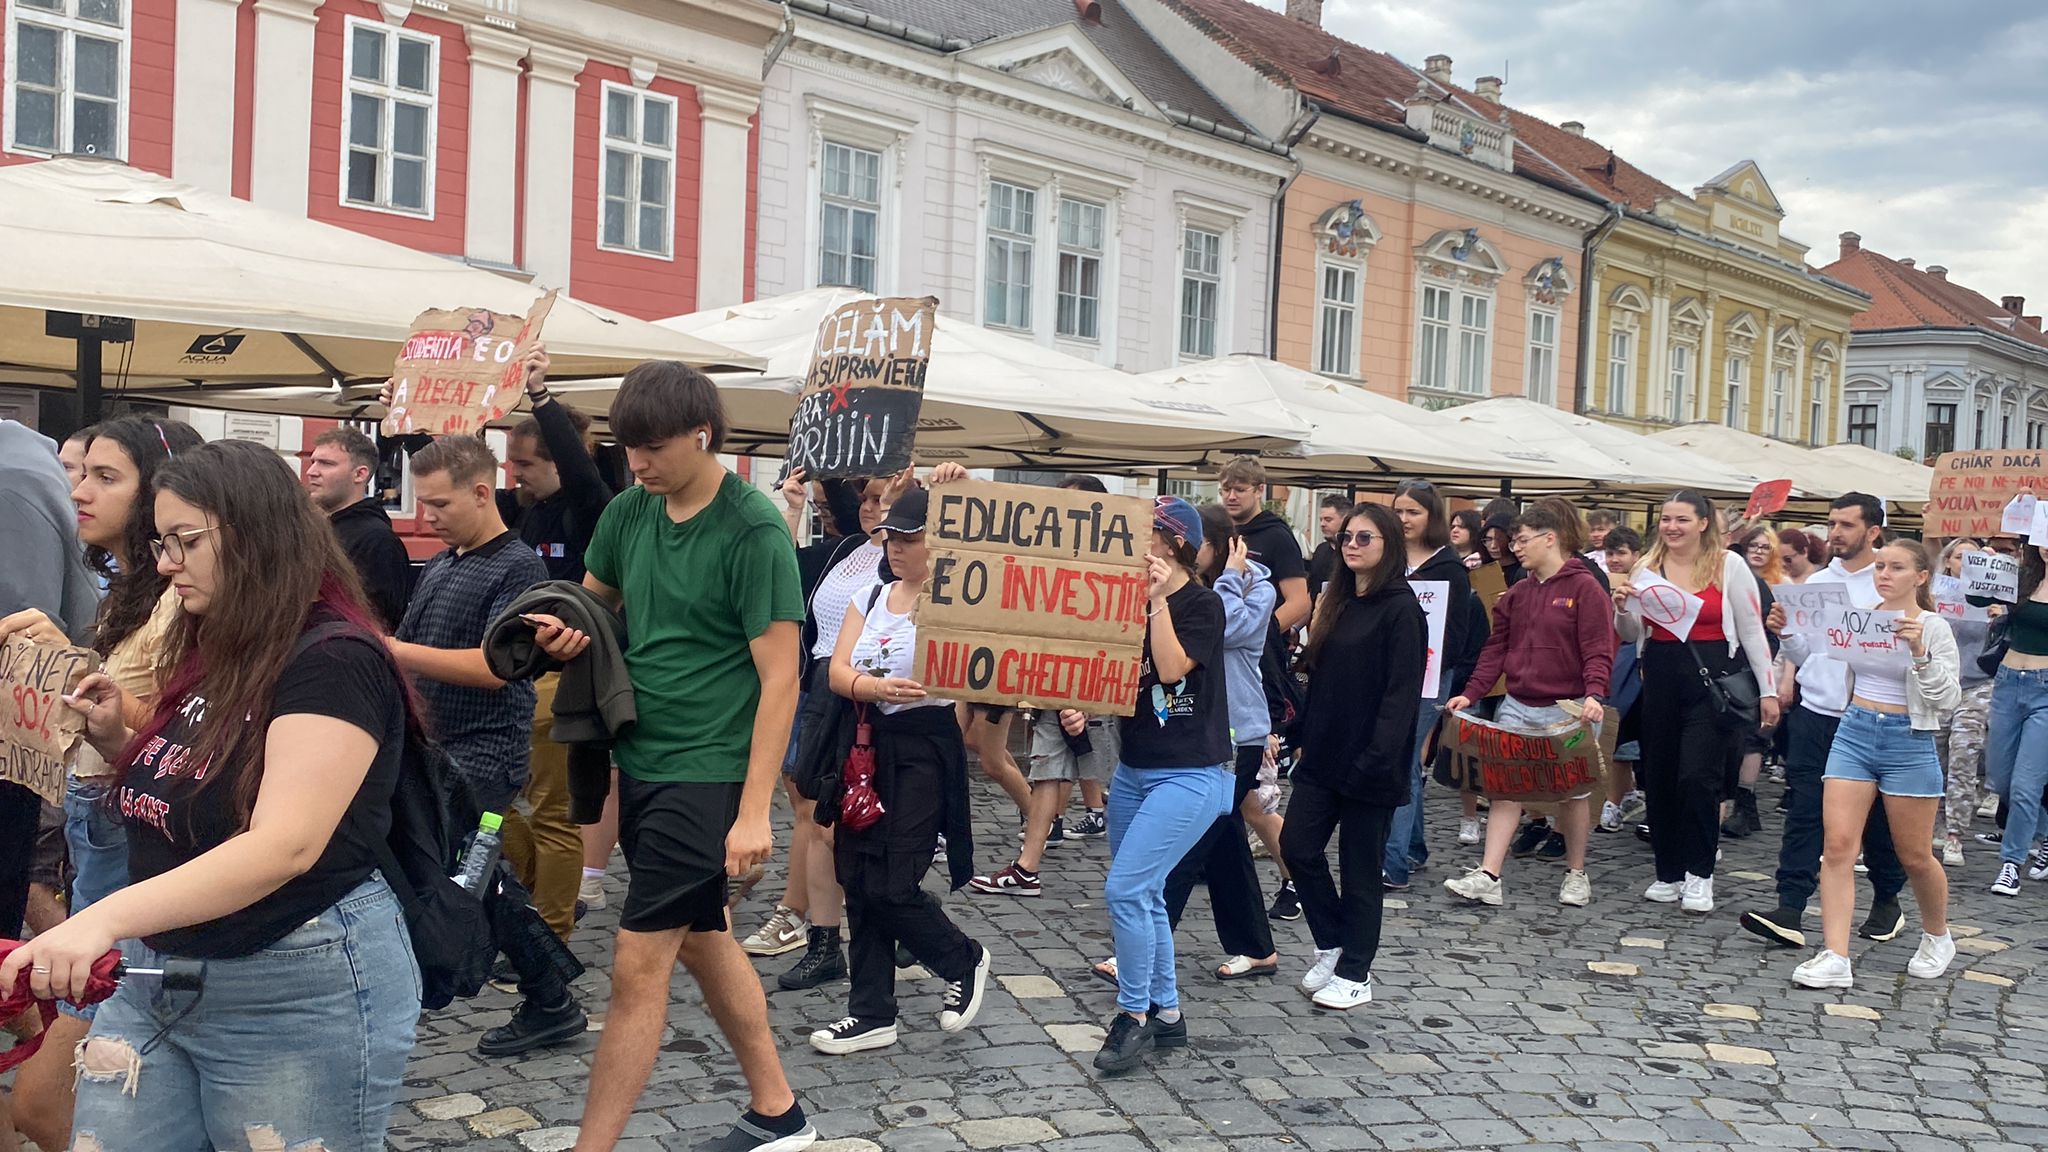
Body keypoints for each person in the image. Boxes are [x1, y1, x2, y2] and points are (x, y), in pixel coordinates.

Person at [0, 438, 419, 1150]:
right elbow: (203, 780)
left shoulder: (334, 658)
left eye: (184, 541)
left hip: (295, 978)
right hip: (162, 968)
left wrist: (99, 920)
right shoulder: (225, 641)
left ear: (256, 533)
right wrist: (116, 739)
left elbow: (284, 843)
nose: (165, 563)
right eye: (162, 542)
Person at [525, 362, 815, 1152]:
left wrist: (755, 811)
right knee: (700, 937)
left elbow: (781, 678)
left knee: (636, 961)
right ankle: (779, 1112)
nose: (639, 463)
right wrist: (561, 632)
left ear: (702, 435)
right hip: (641, 759)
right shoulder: (628, 511)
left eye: (651, 449)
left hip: (709, 768)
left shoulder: (754, 527)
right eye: (629, 448)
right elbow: (593, 607)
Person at [0, 416, 200, 1152]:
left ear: (159, 491)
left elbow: (182, 736)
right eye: (78, 472)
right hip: (100, 834)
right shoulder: (114, 582)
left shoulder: (178, 597)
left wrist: (73, 670)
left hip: (134, 847)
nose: (78, 490)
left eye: (104, 477)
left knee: (45, 1105)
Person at [806, 486, 988, 1054]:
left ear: (939, 542)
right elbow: (836, 670)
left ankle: (963, 958)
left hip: (924, 745)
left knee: (891, 878)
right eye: (892, 538)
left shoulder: (956, 597)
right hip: (866, 740)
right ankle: (870, 1010)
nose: (897, 549)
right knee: (856, 873)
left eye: (911, 538)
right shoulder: (871, 594)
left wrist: (957, 489)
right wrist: (875, 686)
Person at [1092, 497, 1234, 1074]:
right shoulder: (1123, 598)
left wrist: (1154, 603)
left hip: (1193, 772)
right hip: (1135, 769)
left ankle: (1132, 1017)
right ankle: (1169, 1016)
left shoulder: (1203, 604)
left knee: (1125, 891)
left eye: (1142, 533)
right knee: (1145, 893)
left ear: (1170, 542)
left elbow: (1172, 669)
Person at [1740, 494, 1910, 948]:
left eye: (1846, 525)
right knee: (1805, 809)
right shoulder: (1817, 581)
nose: (1835, 533)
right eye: (1832, 524)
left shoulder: (1889, 582)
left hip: (1870, 717)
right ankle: (1790, 905)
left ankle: (1887, 898)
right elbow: (1807, 653)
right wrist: (1787, 633)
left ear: (1873, 532)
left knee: (1875, 818)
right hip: (1817, 711)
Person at [1792, 541, 1960, 988]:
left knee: (1915, 855)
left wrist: (1920, 653)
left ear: (1921, 576)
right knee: (1839, 846)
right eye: (1880, 566)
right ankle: (1835, 955)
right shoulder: (1860, 615)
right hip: (1856, 729)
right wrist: (1790, 634)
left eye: (1897, 568)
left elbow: (1948, 699)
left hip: (1909, 738)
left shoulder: (1933, 626)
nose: (1884, 574)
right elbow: (1822, 660)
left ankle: (1938, 935)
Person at [750, 469, 892, 985]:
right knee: (813, 814)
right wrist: (793, 508)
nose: (872, 507)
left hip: (866, 696)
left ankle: (887, 920)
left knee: (841, 822)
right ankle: (823, 938)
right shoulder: (849, 548)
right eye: (868, 499)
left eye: (882, 499)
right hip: (819, 686)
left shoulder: (904, 557)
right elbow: (786, 574)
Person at [494, 347, 617, 939]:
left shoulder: (590, 508)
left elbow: (582, 471)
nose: (513, 474)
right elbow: (455, 490)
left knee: (550, 812)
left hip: (562, 676)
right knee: (493, 803)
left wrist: (542, 399)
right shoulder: (523, 511)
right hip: (515, 675)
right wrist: (414, 431)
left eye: (524, 464)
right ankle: (540, 902)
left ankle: (552, 934)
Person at [1283, 503, 1424, 1011]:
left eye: (1365, 537)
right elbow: (1320, 676)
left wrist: (1378, 756)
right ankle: (1334, 943)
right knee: (1298, 847)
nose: (1351, 544)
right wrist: (1297, 730)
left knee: (1361, 869)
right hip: (1323, 754)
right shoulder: (1339, 600)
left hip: (1372, 761)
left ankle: (1356, 971)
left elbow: (1400, 695)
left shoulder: (1403, 609)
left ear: (1388, 545)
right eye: (1346, 537)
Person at [1613, 490, 1778, 915]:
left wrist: (1769, 689)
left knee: (1698, 778)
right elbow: (1632, 633)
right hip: (1662, 675)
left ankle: (1699, 873)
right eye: (1666, 519)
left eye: (1682, 520)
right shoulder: (1648, 566)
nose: (1672, 527)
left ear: (1703, 522)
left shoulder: (1729, 564)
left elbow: (1753, 630)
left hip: (1713, 677)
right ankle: (1668, 872)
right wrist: (1621, 608)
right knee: (1661, 776)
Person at [1443, 503, 1614, 908]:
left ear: (1549, 538)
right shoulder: (1517, 593)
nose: (1514, 548)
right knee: (1505, 790)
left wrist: (1594, 694)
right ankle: (1489, 875)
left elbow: (1597, 647)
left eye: (1522, 540)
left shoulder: (1585, 588)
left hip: (1570, 707)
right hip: (1517, 703)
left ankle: (1576, 872)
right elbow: (1496, 648)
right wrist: (1473, 692)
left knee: (1574, 793)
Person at [1156, 503, 1278, 979]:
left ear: (1224, 546)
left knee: (1190, 838)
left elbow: (1224, 627)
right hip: (1203, 727)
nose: (1186, 549)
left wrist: (1229, 576)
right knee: (1225, 841)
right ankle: (1257, 946)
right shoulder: (1185, 586)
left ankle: (1143, 947)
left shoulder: (1255, 588)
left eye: (1197, 543)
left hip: (1239, 733)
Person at [0, 419, 98, 948]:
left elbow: (21, 624)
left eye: (104, 477)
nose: (81, 490)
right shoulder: (22, 460)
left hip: (23, 735)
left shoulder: (11, 473)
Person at [1383, 480, 1483, 890]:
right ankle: (1414, 848)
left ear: (1431, 517)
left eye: (1413, 512)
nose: (1404, 519)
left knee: (1404, 758)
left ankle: (1393, 862)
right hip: (1386, 674)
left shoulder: (1449, 568)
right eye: (1399, 511)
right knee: (1404, 759)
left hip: (1428, 677)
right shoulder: (1389, 558)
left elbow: (1457, 636)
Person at [303, 425, 414, 629]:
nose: (311, 472)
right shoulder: (315, 531)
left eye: (326, 464)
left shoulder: (377, 541)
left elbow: (376, 621)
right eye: (312, 462)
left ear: (360, 474)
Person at [1985, 543, 2048, 897]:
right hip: (2008, 683)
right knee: (2002, 779)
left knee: (2026, 784)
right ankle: (2044, 831)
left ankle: (2012, 863)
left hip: (2045, 690)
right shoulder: (2024, 578)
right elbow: (1978, 596)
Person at [1935, 538, 1998, 866]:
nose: (1967, 563)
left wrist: (1999, 613)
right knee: (1937, 757)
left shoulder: (1995, 598)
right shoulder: (1935, 594)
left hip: (1977, 686)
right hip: (1941, 685)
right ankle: (1936, 820)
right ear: (1949, 562)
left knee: (1964, 753)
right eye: (1961, 557)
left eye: (1974, 558)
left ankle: (1955, 834)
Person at [1722, 527, 1784, 840]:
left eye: (1765, 547)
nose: (1758, 551)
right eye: (1753, 546)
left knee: (1753, 738)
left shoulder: (1770, 586)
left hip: (1756, 670)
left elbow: (1770, 637)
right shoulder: (1728, 575)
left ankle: (1743, 804)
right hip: (1725, 670)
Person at [1217, 458, 1310, 634]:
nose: (1231, 496)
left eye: (1240, 490)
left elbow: (1298, 602)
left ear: (1260, 490)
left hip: (1260, 652)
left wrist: (1262, 634)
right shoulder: (1220, 532)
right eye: (1226, 489)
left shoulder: (1277, 536)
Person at [1598, 528, 1647, 833]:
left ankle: (1622, 800)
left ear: (1636, 555)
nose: (1615, 560)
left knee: (1632, 739)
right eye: (1610, 553)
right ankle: (1619, 799)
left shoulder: (1646, 584)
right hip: (1615, 666)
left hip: (1638, 667)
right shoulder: (1602, 582)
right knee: (1617, 740)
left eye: (1621, 553)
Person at [1308, 493, 1348, 600]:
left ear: (1345, 520)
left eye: (1328, 519)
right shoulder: (1320, 550)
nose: (1322, 524)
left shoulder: (1353, 553)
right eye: (1321, 519)